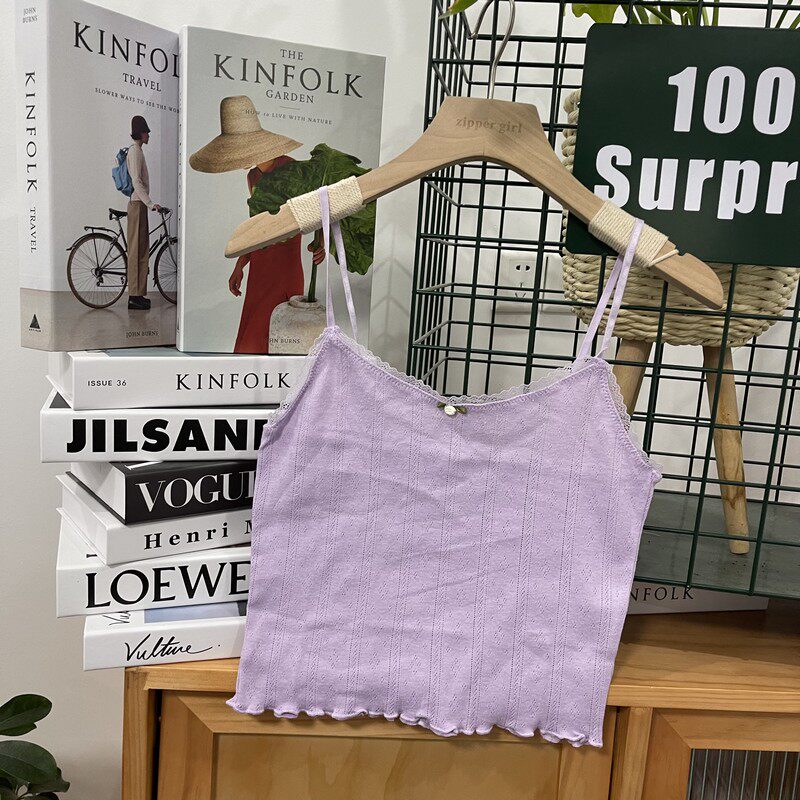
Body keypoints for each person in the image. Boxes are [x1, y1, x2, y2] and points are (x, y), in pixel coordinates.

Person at [126, 115, 162, 311]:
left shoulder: (138, 151)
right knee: (135, 252)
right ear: (140, 133)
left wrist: (147, 204)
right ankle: (133, 297)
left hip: (140, 205)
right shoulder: (135, 152)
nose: (149, 134)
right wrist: (150, 203)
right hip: (137, 205)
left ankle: (138, 294)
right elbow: (136, 181)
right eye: (147, 131)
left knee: (141, 251)